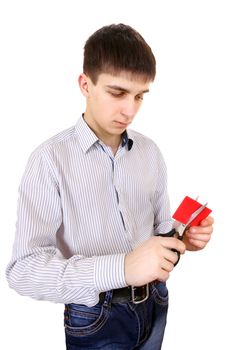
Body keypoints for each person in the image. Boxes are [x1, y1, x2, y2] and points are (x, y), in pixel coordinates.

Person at [6, 23, 214, 349]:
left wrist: (181, 236)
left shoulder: (150, 152)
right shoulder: (49, 160)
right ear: (85, 84)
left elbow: (158, 233)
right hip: (95, 317)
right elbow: (24, 270)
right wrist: (121, 268)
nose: (129, 110)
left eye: (139, 96)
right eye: (117, 93)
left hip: (156, 304)